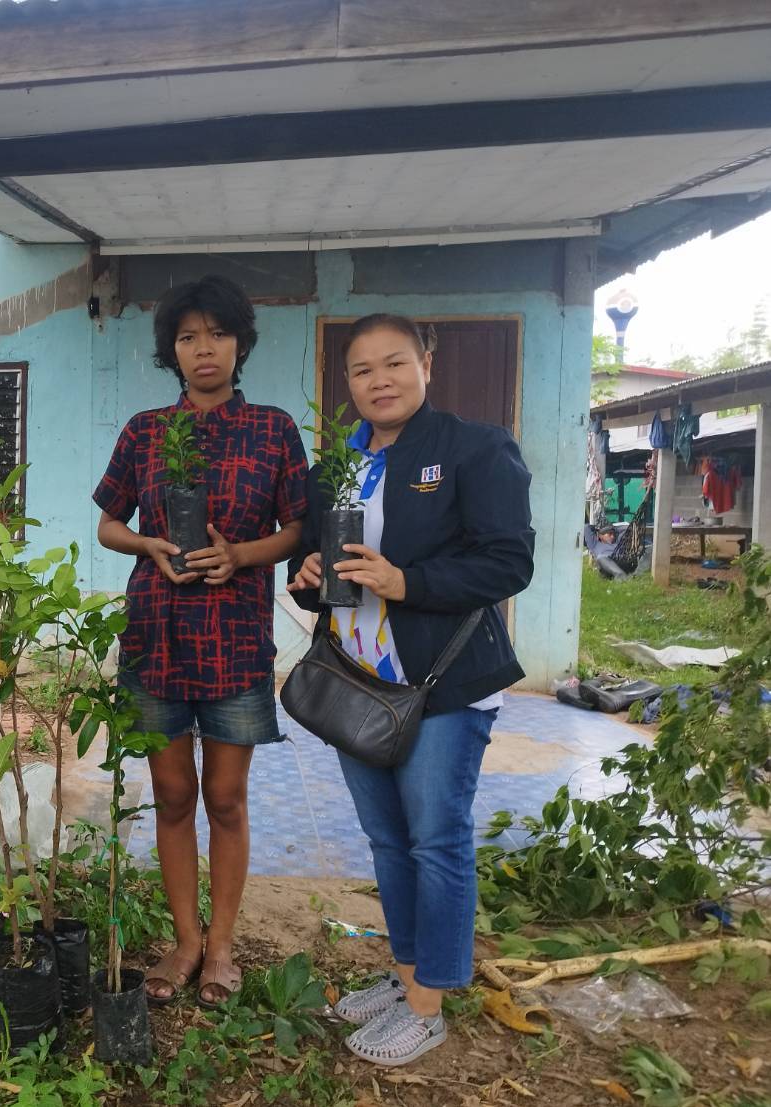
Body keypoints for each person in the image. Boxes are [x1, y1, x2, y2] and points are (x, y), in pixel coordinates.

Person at [288, 313, 534, 1065]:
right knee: (387, 840)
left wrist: (407, 581)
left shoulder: (473, 447)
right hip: (359, 680)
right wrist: (303, 580)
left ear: (426, 363)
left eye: (394, 363)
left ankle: (428, 1005)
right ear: (348, 384)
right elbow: (318, 564)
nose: (379, 380)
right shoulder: (335, 466)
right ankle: (403, 977)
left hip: (442, 686)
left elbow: (507, 563)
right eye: (362, 370)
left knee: (435, 842)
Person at [92, 274, 308, 1008]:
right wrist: (149, 544)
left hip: (236, 638)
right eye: (187, 337)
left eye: (216, 334)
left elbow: (298, 528)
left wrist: (242, 555)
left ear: (240, 343)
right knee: (172, 793)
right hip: (156, 635)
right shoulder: (145, 431)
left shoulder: (273, 429)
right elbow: (107, 523)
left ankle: (221, 946)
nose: (203, 348)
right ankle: (182, 942)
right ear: (170, 352)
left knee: (224, 796)